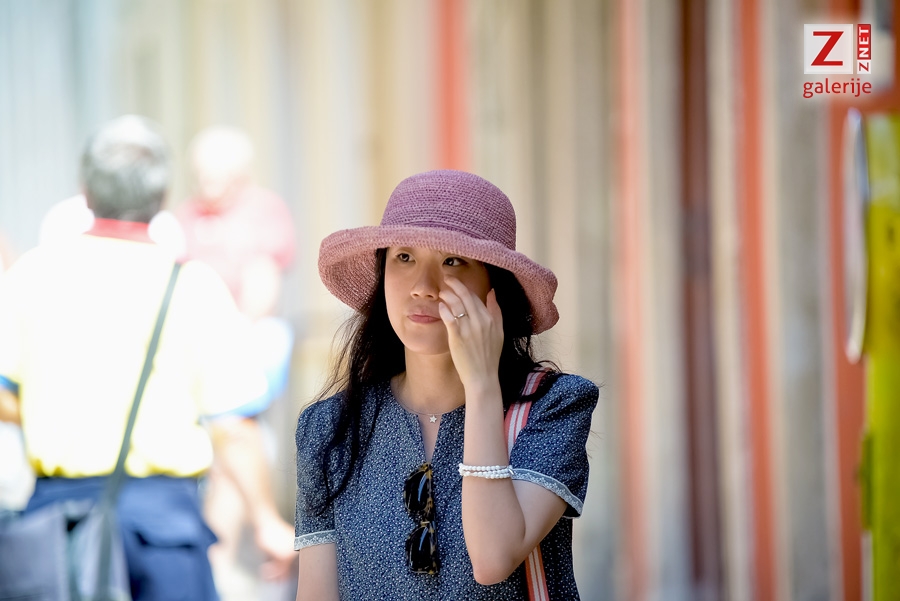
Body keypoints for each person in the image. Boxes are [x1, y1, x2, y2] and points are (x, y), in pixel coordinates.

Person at [0, 115, 293, 600]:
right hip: (164, 529)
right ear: (162, 197)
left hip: (57, 524)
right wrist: (266, 521)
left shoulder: (31, 277)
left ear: (85, 191)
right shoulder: (192, 286)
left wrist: (49, 411)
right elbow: (233, 427)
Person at [294, 170, 599, 600]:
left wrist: (482, 386)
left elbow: (493, 558)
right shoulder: (329, 428)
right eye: (404, 257)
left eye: (453, 261)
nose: (423, 287)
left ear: (495, 286)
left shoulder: (553, 407)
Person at [176, 126, 297, 592]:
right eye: (200, 172)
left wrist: (229, 347)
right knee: (220, 454)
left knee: (232, 443)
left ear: (240, 173)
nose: (206, 181)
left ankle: (221, 560)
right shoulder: (185, 217)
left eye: (216, 172)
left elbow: (261, 290)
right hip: (197, 355)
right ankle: (221, 560)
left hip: (243, 349)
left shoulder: (262, 212)